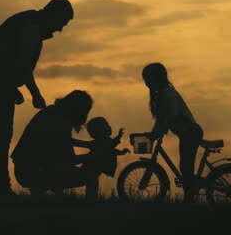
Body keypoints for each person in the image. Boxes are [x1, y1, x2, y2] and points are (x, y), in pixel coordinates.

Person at [0, 0, 74, 197]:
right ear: (54, 15)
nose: (60, 29)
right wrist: (35, 94)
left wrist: (11, 87)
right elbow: (21, 62)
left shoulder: (28, 23)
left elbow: (7, 61)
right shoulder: (31, 27)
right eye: (62, 23)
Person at [10, 90, 100, 200]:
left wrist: (87, 145)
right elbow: (69, 159)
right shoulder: (61, 123)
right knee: (90, 178)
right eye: (86, 111)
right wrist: (92, 156)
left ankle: (41, 190)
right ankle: (89, 210)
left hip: (24, 169)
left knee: (59, 168)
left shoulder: (53, 113)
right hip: (33, 172)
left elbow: (62, 141)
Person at [142, 62, 204, 202]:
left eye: (148, 79)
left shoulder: (168, 94)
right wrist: (154, 133)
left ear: (157, 78)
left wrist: (160, 131)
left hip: (191, 133)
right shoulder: (160, 95)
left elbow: (172, 115)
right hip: (187, 134)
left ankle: (189, 199)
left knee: (186, 167)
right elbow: (161, 119)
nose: (146, 84)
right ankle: (189, 195)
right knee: (185, 167)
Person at [82, 117, 130, 186]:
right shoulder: (102, 142)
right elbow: (111, 149)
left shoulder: (101, 141)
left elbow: (111, 145)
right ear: (102, 130)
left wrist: (119, 136)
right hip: (90, 170)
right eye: (107, 126)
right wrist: (121, 152)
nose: (109, 127)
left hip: (90, 169)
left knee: (93, 183)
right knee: (93, 183)